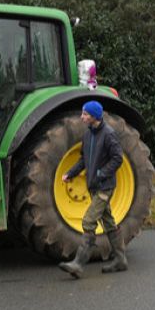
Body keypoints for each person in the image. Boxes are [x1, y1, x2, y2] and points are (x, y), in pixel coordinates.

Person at [59, 101, 126, 278]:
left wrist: (101, 173)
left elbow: (117, 158)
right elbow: (83, 159)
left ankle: (78, 264)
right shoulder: (88, 135)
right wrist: (71, 173)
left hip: (105, 186)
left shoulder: (109, 135)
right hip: (94, 186)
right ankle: (120, 260)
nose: (82, 117)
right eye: (82, 113)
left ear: (94, 116)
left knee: (89, 221)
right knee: (109, 221)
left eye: (85, 114)